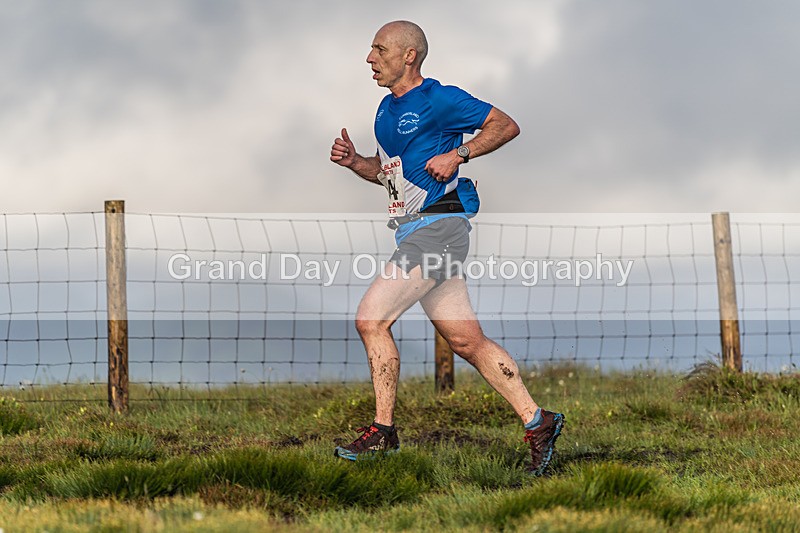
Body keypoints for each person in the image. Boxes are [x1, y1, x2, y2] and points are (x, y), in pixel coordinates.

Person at [329, 20, 564, 476]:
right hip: (414, 230)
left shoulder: (440, 99)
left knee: (370, 319)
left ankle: (383, 431)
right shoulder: (384, 109)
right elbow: (389, 173)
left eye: (379, 50)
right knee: (465, 341)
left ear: (408, 56)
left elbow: (505, 125)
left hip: (438, 230)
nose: (370, 58)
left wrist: (460, 154)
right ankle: (539, 421)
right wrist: (357, 162)